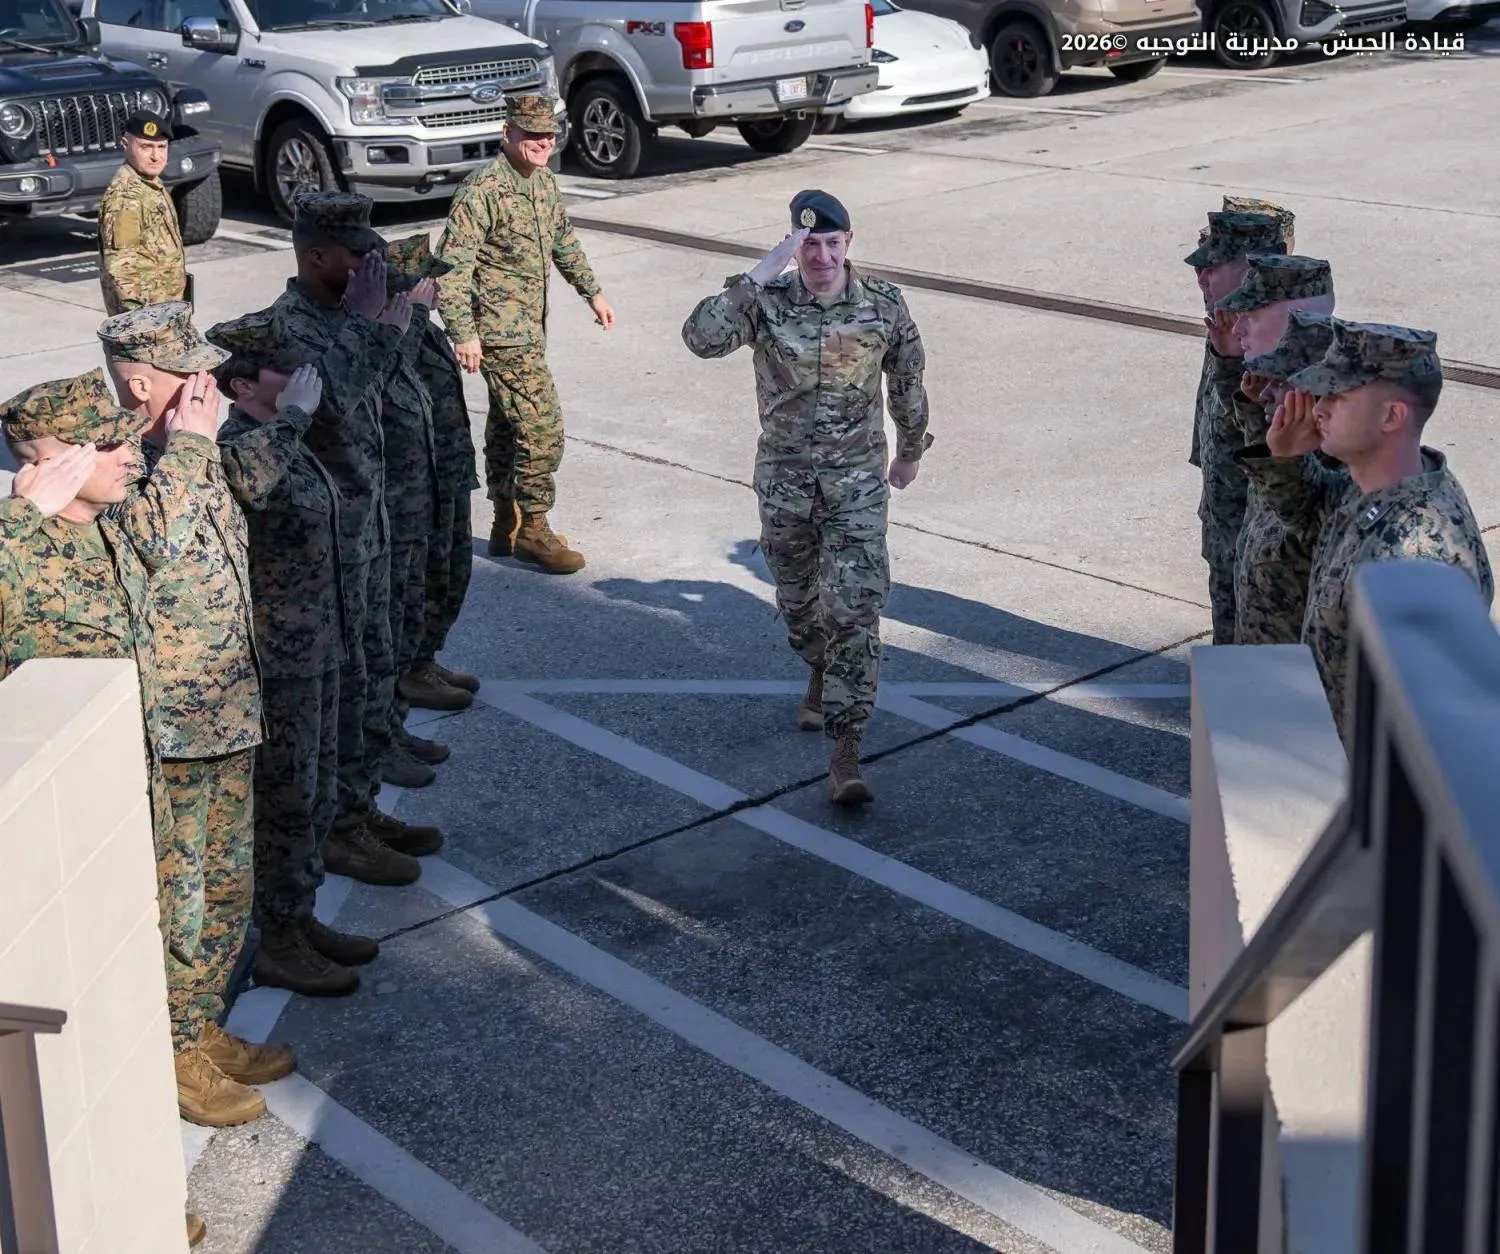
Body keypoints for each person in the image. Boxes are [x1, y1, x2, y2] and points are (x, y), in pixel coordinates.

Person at [0, 371, 244, 1249]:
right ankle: (120, 1205)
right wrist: (13, 522)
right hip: (62, 846)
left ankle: (137, 1183)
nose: (126, 452)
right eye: (105, 444)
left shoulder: (106, 528)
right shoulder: (20, 554)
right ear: (52, 463)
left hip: (138, 802)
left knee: (136, 1004)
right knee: (85, 1040)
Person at [96, 303, 300, 1123]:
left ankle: (199, 1025)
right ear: (139, 381)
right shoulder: (115, 460)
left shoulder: (190, 448)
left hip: (226, 705)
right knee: (177, 904)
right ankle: (171, 1049)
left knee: (224, 890)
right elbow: (150, 545)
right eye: (187, 373)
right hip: (173, 729)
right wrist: (185, 446)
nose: (204, 385)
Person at [681, 189, 931, 805]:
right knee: (799, 605)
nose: (820, 255)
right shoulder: (766, 304)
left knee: (855, 608)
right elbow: (700, 338)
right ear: (795, 245)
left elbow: (908, 376)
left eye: (831, 243)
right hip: (787, 484)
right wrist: (762, 270)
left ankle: (847, 751)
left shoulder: (883, 307)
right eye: (807, 243)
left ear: (851, 242)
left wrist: (910, 450)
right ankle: (817, 669)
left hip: (857, 486)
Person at [209, 307, 390, 996]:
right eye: (285, 370)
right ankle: (280, 936)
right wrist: (291, 419)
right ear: (242, 387)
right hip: (281, 663)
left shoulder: (286, 436)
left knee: (312, 796)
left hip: (321, 645)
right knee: (287, 800)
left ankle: (300, 916)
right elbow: (252, 486)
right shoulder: (243, 446)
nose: (303, 378)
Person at [270, 193, 434, 884]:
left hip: (366, 528)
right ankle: (341, 830)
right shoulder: (289, 330)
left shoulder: (342, 317)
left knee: (371, 676)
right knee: (342, 702)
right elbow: (329, 405)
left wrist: (380, 328)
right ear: (316, 257)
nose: (373, 265)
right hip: (325, 553)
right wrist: (372, 326)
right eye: (357, 256)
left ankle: (358, 812)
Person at [1240, 319, 1494, 739]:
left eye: (1336, 396)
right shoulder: (1377, 485)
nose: (1318, 407)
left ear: (1392, 416)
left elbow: (1427, 733)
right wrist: (1284, 459)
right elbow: (1314, 519)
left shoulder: (1414, 559)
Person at [435, 94, 615, 574]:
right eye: (532, 134)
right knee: (543, 426)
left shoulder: (544, 183)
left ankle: (505, 524)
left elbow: (562, 240)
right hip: (499, 335)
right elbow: (451, 268)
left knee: (507, 422)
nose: (543, 143)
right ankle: (535, 528)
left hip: (530, 327)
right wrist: (464, 333)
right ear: (507, 133)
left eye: (549, 135)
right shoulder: (483, 191)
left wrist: (591, 292)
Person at [1213, 257, 1335, 643]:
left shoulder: (1338, 475)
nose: (1238, 324)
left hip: (1291, 679)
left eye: (1278, 382)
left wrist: (1283, 459)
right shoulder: (1291, 432)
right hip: (1261, 655)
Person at [385, 233, 481, 715]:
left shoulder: (425, 329)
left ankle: (425, 657)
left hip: (448, 469)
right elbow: (383, 377)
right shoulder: (395, 330)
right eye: (428, 281)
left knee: (451, 569)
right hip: (417, 483)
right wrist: (414, 315)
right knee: (420, 578)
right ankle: (408, 669)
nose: (438, 289)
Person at [1182, 210, 1288, 644]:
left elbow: (1268, 444)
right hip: (1225, 523)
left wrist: (1230, 363)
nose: (1201, 277)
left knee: (1254, 668)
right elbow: (1209, 419)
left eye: (1213, 266)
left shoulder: (1275, 346)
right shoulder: (1228, 333)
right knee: (1229, 652)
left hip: (1262, 544)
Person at [97, 111, 190, 316]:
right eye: (146, 147)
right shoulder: (126, 198)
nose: (156, 156)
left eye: (162, 147)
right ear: (125, 144)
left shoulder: (149, 182)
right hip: (148, 321)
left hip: (164, 312)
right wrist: (142, 324)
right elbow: (121, 269)